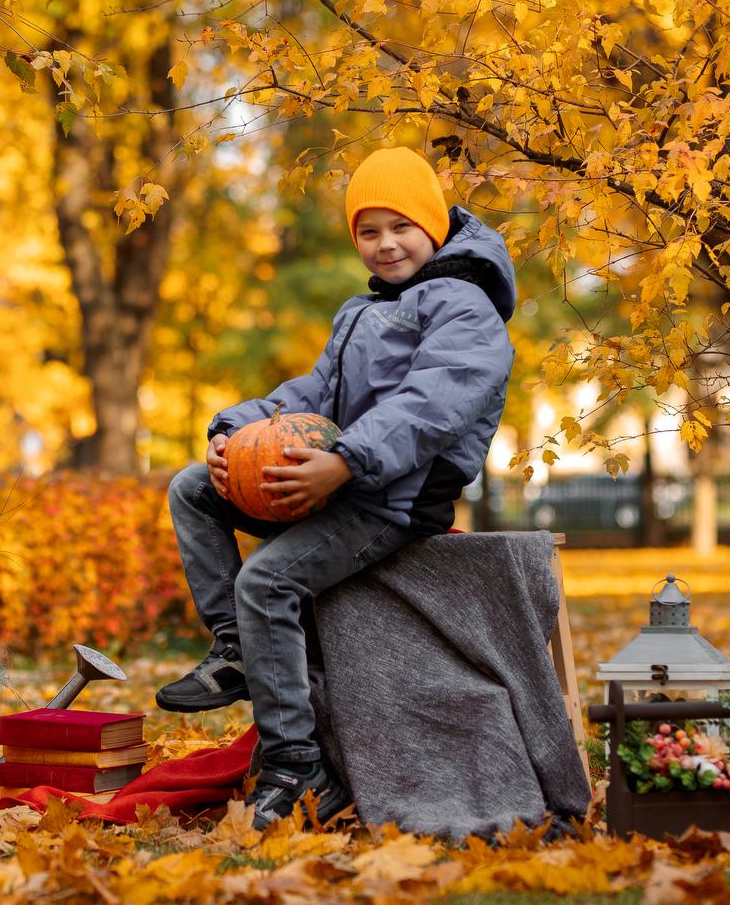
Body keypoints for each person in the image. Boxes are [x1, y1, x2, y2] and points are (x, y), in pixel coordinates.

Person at [158, 147, 518, 829]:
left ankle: (297, 766)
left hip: (394, 500)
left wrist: (346, 459)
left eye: (400, 226)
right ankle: (235, 647)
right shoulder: (363, 312)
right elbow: (313, 391)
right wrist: (233, 430)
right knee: (192, 489)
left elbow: (428, 405)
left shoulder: (466, 308)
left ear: (434, 224)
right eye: (367, 230)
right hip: (344, 481)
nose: (384, 244)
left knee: (267, 580)